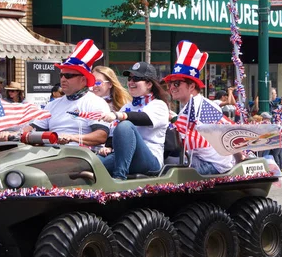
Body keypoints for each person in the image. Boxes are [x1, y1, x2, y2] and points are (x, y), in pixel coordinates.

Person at [0, 39, 110, 146]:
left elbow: (101, 136)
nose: (63, 79)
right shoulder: (52, 105)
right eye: (61, 75)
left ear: (83, 79)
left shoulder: (96, 103)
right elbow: (33, 128)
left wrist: (72, 138)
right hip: (53, 153)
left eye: (69, 76)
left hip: (83, 155)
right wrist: (12, 134)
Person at [165, 40, 240, 175]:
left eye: (176, 83)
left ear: (192, 86)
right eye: (170, 84)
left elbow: (229, 131)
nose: (171, 88)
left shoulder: (199, 106)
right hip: (207, 161)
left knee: (162, 164)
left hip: (212, 165)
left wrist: (240, 160)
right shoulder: (191, 106)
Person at [98, 62, 170, 180]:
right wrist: (108, 147)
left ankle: (119, 177)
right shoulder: (127, 106)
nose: (131, 82)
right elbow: (113, 134)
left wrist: (119, 115)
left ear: (149, 84)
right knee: (90, 164)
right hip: (122, 156)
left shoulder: (159, 105)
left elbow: (143, 118)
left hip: (150, 160)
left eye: (136, 78)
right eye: (130, 78)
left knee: (125, 125)